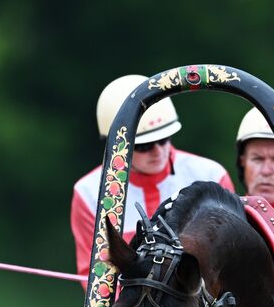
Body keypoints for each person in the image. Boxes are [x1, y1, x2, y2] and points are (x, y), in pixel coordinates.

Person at [71, 74, 232, 276]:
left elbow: (227, 262)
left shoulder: (212, 176)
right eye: (144, 145)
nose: (158, 151)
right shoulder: (89, 192)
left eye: (164, 139)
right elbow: (95, 274)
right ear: (116, 146)